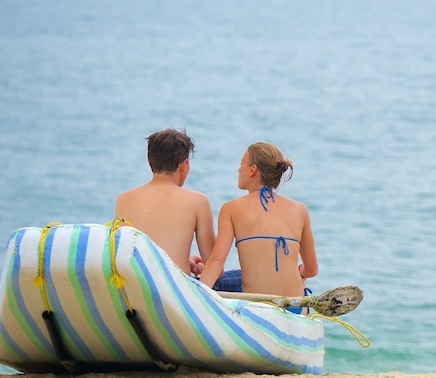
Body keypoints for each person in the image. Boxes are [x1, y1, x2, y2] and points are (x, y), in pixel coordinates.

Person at [199, 142, 318, 301]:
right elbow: (311, 269)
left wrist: (197, 296)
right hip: (295, 307)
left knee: (211, 280)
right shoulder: (300, 209)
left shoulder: (231, 208)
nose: (238, 169)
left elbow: (216, 262)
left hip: (259, 307)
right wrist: (299, 272)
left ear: (252, 169)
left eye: (241, 164)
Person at [114, 128, 215, 276]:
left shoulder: (123, 199)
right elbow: (213, 263)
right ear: (184, 164)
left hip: (132, 288)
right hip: (173, 292)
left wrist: (182, 259)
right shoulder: (198, 202)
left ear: (150, 161)